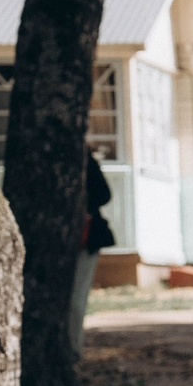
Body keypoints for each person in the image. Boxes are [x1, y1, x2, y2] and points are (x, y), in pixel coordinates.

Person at [67, 147, 114, 363]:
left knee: (75, 299)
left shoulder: (82, 156)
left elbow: (103, 194)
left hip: (84, 238)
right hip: (62, 240)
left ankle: (73, 351)